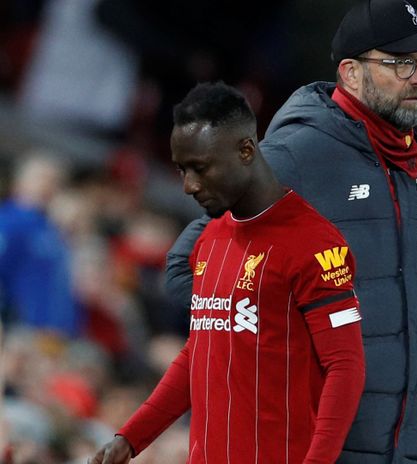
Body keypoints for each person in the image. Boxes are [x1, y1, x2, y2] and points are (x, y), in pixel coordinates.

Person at [164, 2, 417, 462]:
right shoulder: (300, 152)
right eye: (401, 63)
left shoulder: (415, 165)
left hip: (401, 444)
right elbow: (188, 267)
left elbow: (404, 277)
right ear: (351, 72)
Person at [90, 82, 365, 463]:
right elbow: (199, 354)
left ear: (246, 150)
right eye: (182, 169)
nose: (188, 185)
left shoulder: (315, 243)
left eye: (200, 168)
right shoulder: (210, 239)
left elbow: (346, 365)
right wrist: (130, 438)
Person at [0, 153, 80, 337]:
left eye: (55, 180)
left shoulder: (54, 229)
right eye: (42, 177)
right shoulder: (8, 222)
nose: (48, 185)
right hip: (19, 331)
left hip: (55, 335)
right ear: (20, 180)